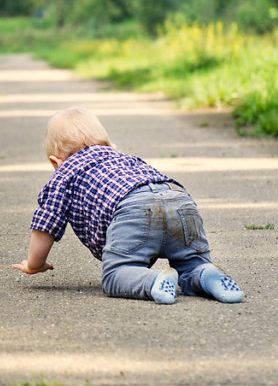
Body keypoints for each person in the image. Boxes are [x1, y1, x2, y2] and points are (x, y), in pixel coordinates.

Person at [12, 106, 243, 304]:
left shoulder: (65, 172)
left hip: (134, 208)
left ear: (55, 161)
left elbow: (46, 223)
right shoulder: (123, 157)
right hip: (179, 199)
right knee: (191, 264)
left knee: (115, 275)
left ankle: (154, 281)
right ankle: (205, 274)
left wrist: (35, 263)